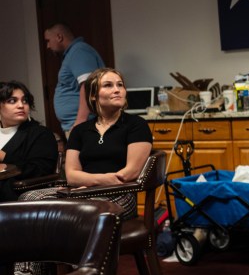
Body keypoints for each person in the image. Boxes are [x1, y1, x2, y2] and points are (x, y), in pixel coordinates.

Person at [20, 68, 153, 222]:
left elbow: (128, 174)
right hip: (81, 191)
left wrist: (90, 184)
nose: (117, 90)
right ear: (92, 95)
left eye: (120, 85)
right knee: (28, 198)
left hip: (120, 193)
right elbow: (71, 175)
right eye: (108, 85)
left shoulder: (136, 125)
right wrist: (92, 184)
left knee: (83, 211)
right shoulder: (79, 130)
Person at [0, 81, 59, 201]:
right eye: (12, 101)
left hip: (16, 191)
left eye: (25, 100)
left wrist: (3, 156)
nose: (21, 105)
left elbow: (41, 169)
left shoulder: (40, 133)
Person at [43, 23, 105, 136]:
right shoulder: (72, 53)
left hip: (85, 125)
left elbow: (88, 84)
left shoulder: (78, 51)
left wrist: (81, 121)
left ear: (59, 37)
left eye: (48, 40)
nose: (48, 46)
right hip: (79, 125)